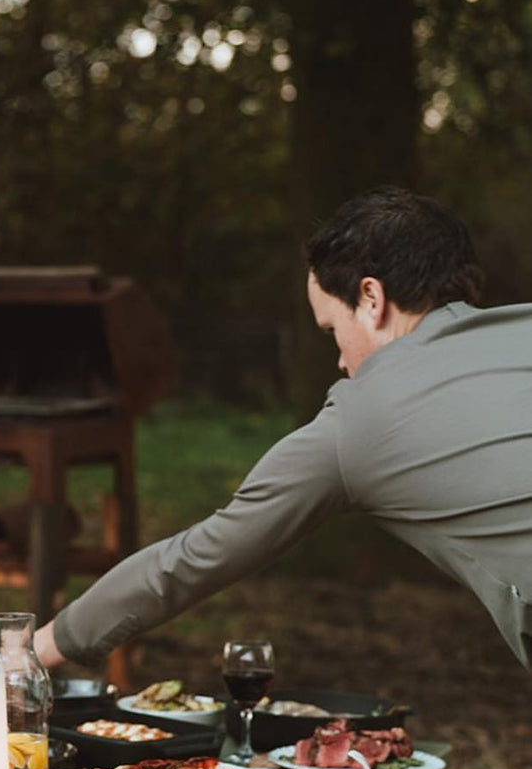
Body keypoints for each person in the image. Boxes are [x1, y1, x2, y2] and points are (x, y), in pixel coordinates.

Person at [35, 187, 532, 671]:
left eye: (332, 331)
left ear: (371, 298)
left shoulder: (359, 421)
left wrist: (34, 648)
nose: (339, 360)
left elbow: (193, 560)